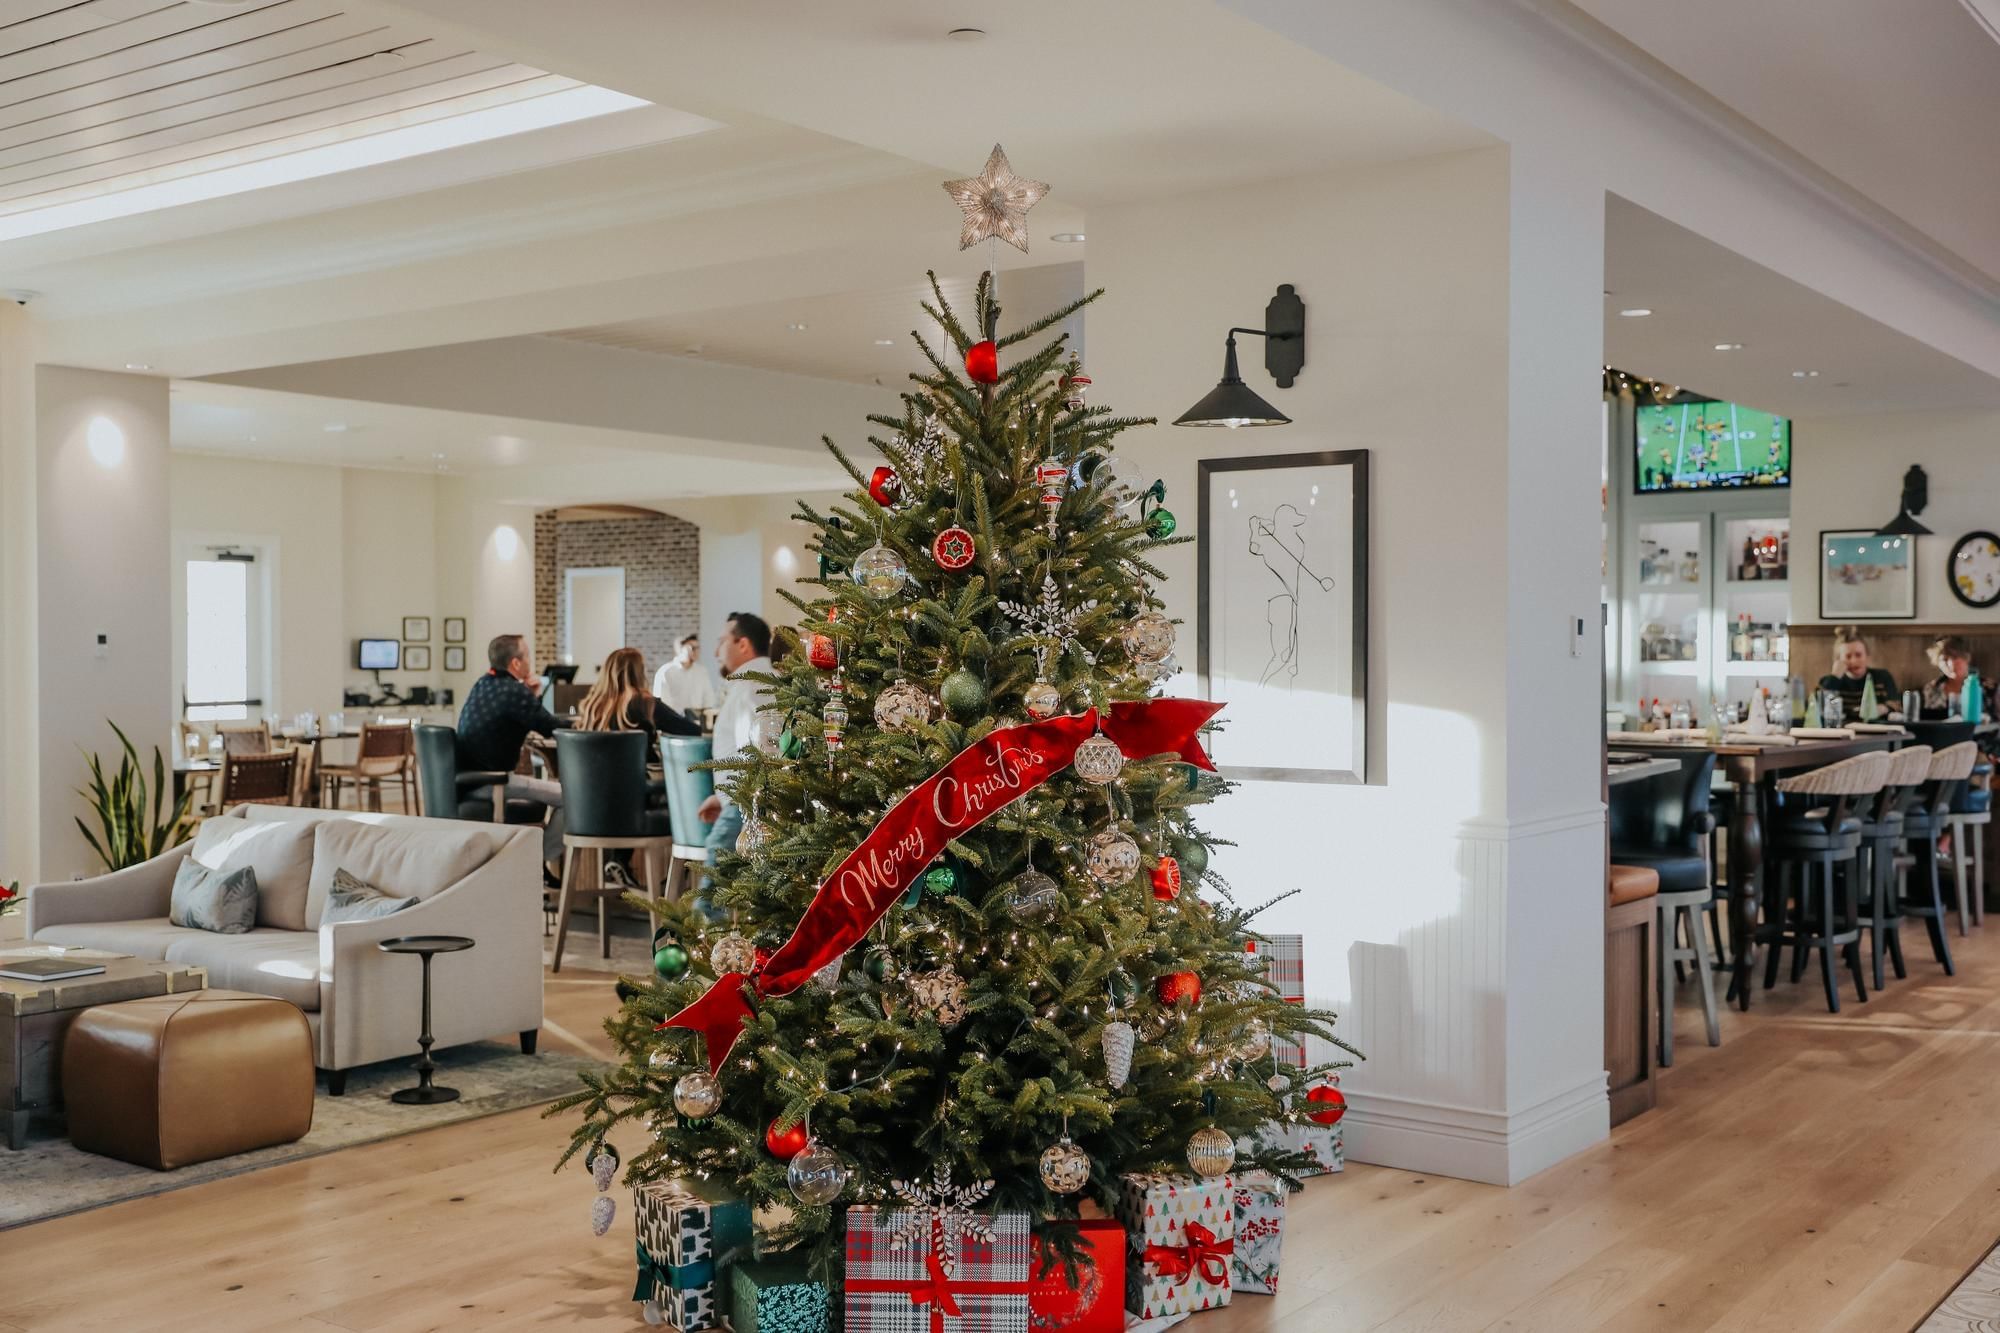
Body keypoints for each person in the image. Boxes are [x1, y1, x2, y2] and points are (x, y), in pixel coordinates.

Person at [457, 634, 564, 864]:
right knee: (573, 797)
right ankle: (537, 863)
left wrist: (530, 695)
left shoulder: (482, 684)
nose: (530, 662)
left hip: (467, 781)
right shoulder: (514, 692)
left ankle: (538, 865)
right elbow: (550, 727)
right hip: (494, 783)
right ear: (516, 663)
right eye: (527, 656)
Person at [699, 612, 773, 871]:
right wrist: (720, 797)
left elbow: (758, 752)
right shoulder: (755, 682)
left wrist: (734, 804)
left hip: (746, 807)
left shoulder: (751, 687)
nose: (717, 651)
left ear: (743, 645)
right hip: (738, 803)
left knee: (711, 896)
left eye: (722, 641)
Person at [580, 647, 703, 743]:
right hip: (636, 774)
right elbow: (691, 731)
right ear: (639, 673)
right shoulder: (644, 703)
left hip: (591, 775)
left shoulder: (592, 705)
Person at [1817, 625, 1898, 720]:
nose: (1854, 661)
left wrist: (1884, 708)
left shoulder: (1883, 676)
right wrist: (1834, 677)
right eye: (1848, 656)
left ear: (1867, 656)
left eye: (1858, 655)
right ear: (1838, 660)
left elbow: (1896, 705)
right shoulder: (1828, 682)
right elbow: (1817, 709)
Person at [651, 634, 720, 717]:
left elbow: (708, 699)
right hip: (673, 723)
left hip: (697, 724)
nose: (696, 651)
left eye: (698, 648)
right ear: (679, 649)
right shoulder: (665, 672)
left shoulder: (702, 672)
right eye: (692, 648)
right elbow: (662, 704)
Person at [1922, 635, 1977, 719]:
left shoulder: (1988, 688)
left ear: (1967, 657)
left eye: (1955, 657)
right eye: (1944, 660)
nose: (1951, 664)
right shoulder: (1931, 688)